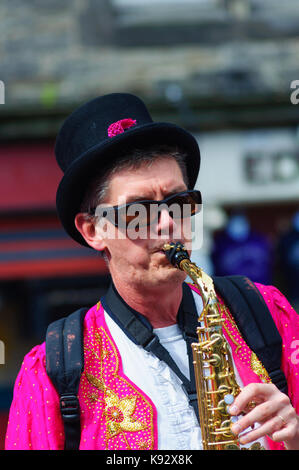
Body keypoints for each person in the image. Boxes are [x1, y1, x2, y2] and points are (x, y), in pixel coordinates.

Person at [5, 93, 299, 451]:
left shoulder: (267, 311)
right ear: (92, 230)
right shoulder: (52, 373)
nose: (166, 224)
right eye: (136, 210)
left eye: (178, 202)